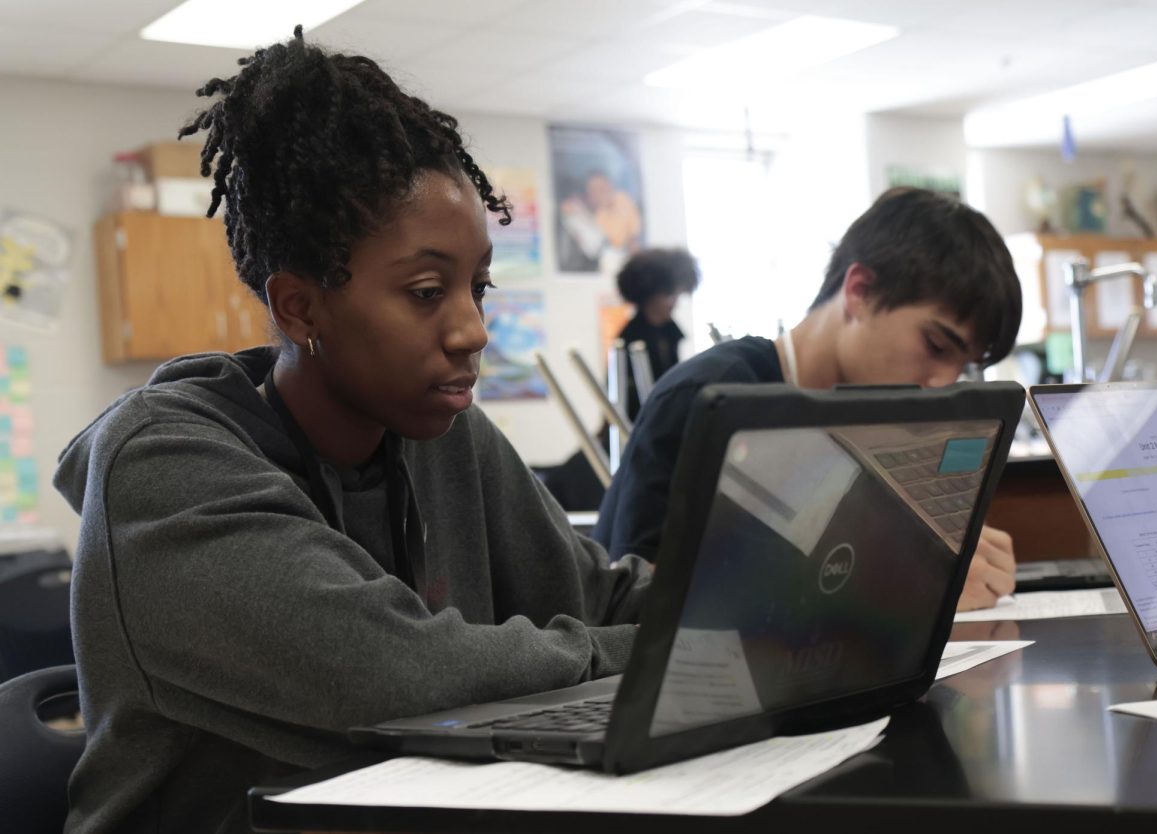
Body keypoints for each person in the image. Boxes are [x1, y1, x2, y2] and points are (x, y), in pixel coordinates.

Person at [55, 28, 650, 834]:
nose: (472, 329)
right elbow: (393, 677)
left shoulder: (443, 432)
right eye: (427, 291)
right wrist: (657, 651)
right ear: (300, 307)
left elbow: (600, 595)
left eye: (478, 287)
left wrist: (754, 608)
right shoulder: (161, 468)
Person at [592, 187, 1023, 613]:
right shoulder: (712, 395)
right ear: (860, 291)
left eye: (963, 366)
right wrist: (903, 588)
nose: (943, 383)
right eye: (935, 345)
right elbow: (637, 600)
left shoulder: (877, 425)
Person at [614, 247, 700, 421]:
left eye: (677, 294)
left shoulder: (670, 333)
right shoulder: (630, 338)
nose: (674, 303)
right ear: (650, 294)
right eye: (669, 295)